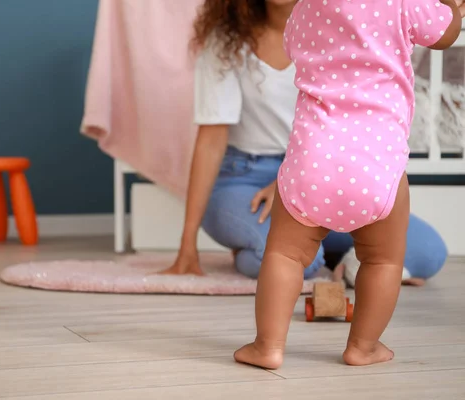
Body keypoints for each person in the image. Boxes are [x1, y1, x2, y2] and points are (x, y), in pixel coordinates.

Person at [233, 0, 465, 369]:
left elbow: (292, 46)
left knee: (285, 255)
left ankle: (268, 346)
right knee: (383, 261)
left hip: (313, 157)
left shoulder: (306, 6)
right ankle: (362, 346)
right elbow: (445, 34)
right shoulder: (404, 3)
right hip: (377, 164)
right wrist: (452, 6)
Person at [160, 0, 448, 288]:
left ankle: (342, 259)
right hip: (242, 180)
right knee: (298, 261)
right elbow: (211, 140)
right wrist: (187, 244)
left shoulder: (349, 27)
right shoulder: (226, 41)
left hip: (317, 171)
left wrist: (286, 178)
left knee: (427, 249)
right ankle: (312, 253)